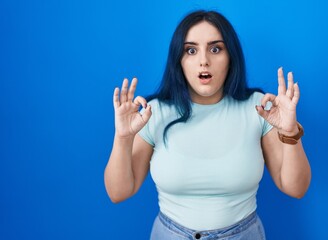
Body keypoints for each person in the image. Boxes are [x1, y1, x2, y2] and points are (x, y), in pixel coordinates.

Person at [104, 10, 311, 240]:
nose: (204, 60)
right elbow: (118, 192)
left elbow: (296, 188)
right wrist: (123, 137)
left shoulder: (258, 109)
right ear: (178, 60)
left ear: (230, 56)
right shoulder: (154, 112)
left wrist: (290, 132)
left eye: (215, 49)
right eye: (191, 50)